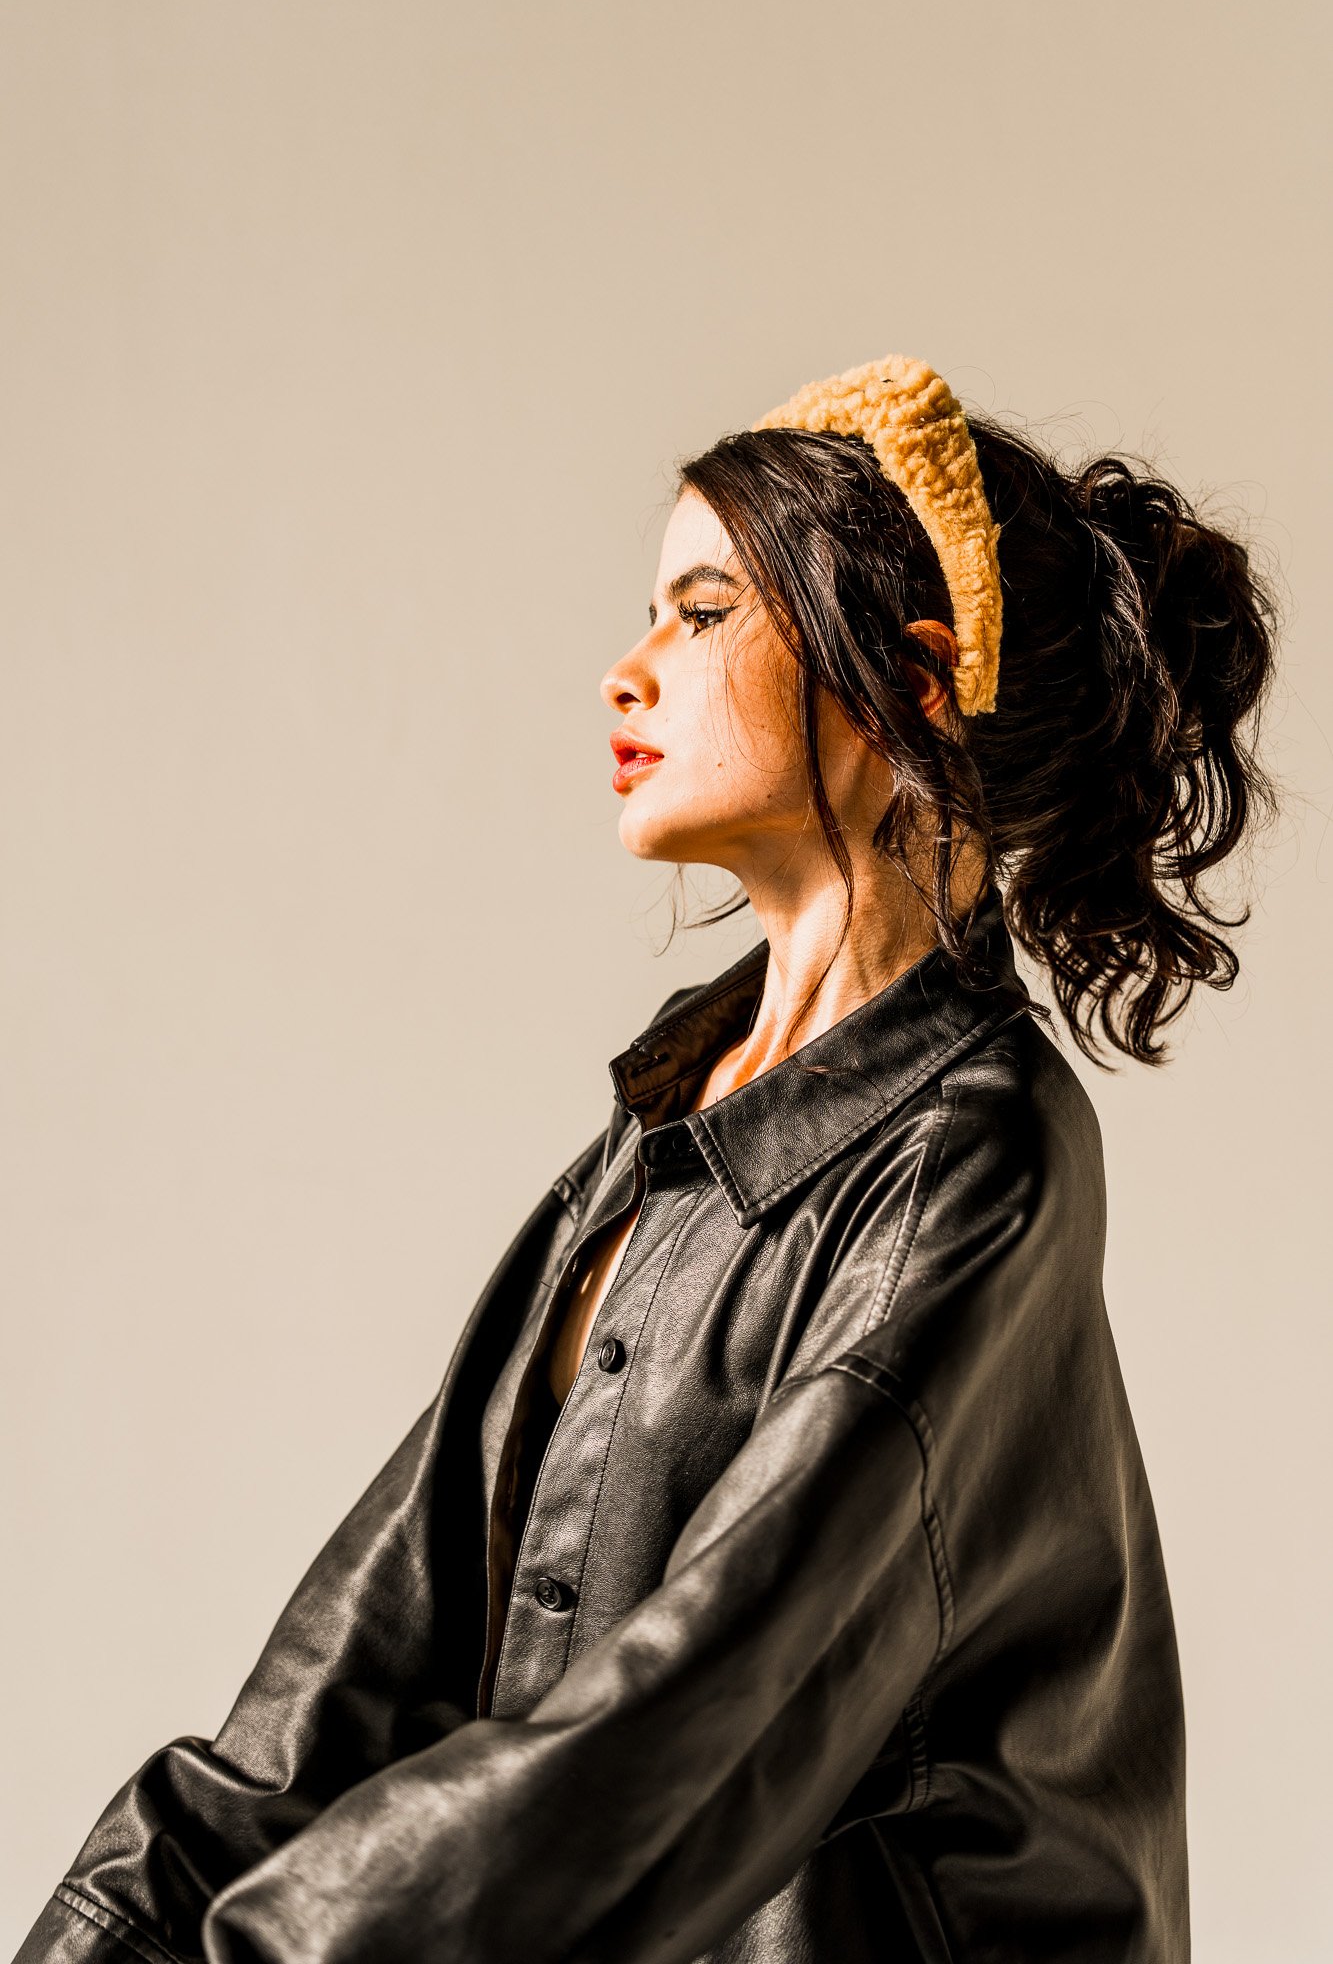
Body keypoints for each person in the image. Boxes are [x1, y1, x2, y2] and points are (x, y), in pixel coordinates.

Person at [15, 354, 1276, 1963]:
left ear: (908, 678)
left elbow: (695, 1715)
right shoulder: (669, 1124)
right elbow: (349, 1681)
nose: (626, 671)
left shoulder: (977, 1150)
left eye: (699, 614)